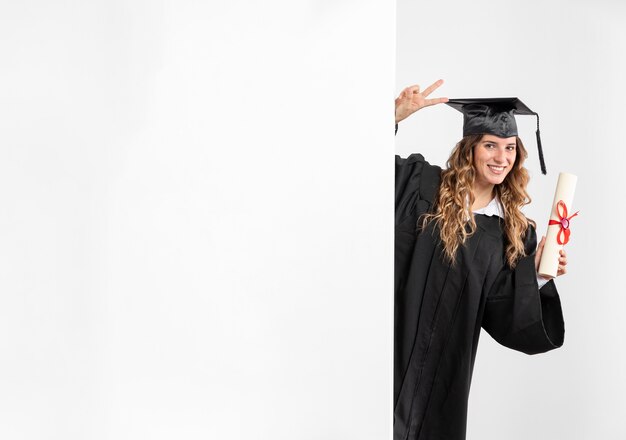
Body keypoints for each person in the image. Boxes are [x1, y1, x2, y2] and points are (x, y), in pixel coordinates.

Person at [394, 80, 567, 440]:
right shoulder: (421, 185)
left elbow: (506, 316)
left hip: (443, 381)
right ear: (470, 149)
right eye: (490, 145)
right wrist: (392, 118)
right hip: (384, 353)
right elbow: (358, 174)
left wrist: (534, 276)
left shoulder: (512, 233)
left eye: (509, 148)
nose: (501, 158)